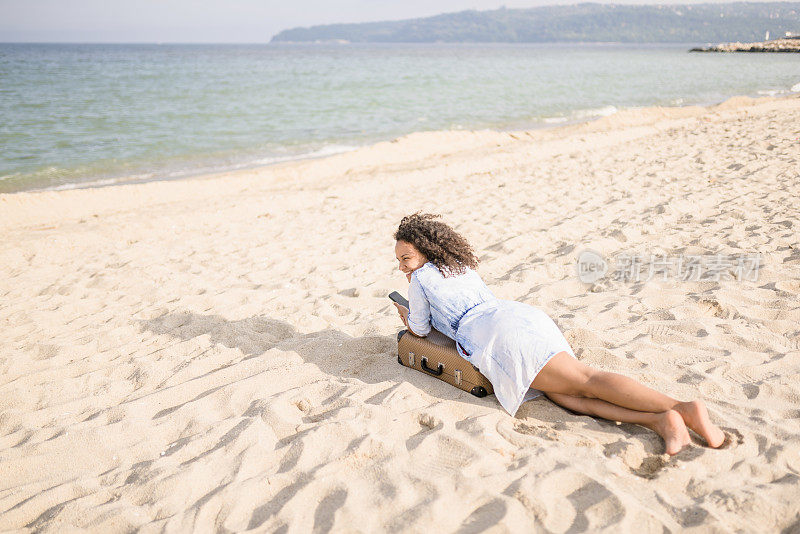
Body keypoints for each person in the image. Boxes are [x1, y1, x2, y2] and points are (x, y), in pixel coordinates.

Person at [392, 212, 726, 456]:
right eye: (400, 261)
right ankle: (661, 420)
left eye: (406, 258)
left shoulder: (421, 280)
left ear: (423, 250)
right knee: (566, 396)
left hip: (497, 334)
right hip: (517, 317)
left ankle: (683, 407)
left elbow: (420, 329)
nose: (403, 266)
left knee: (585, 381)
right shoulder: (455, 263)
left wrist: (407, 313)